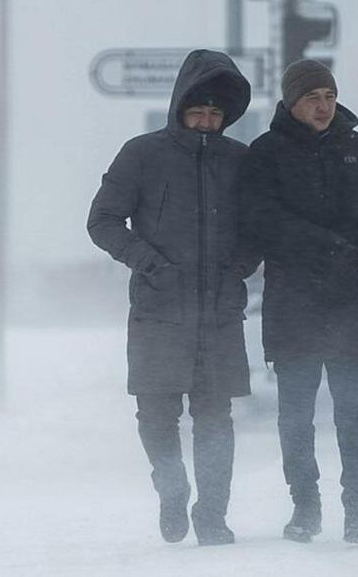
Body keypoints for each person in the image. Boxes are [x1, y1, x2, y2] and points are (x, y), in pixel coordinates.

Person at [87, 50, 261, 546]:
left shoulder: (239, 161)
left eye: (215, 113)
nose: (207, 121)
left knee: (215, 417)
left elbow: (258, 228)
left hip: (219, 313)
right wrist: (151, 264)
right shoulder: (141, 154)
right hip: (159, 310)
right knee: (156, 414)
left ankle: (212, 515)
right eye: (197, 111)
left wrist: (239, 270)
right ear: (179, 108)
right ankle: (171, 488)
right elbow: (102, 220)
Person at [245, 59, 358, 544]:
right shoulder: (266, 153)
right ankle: (305, 508)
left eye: (329, 96)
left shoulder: (357, 146)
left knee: (355, 410)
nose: (324, 106)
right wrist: (336, 250)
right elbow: (265, 221)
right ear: (292, 102)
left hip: (352, 302)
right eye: (313, 98)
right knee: (296, 416)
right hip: (295, 305)